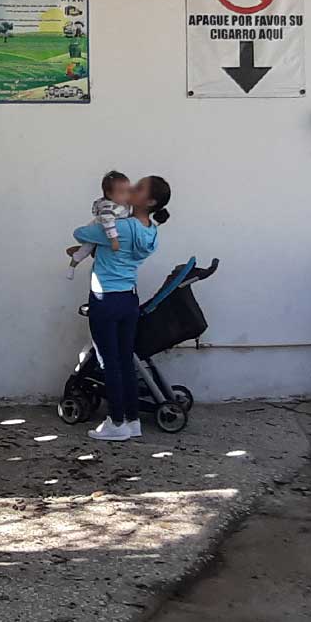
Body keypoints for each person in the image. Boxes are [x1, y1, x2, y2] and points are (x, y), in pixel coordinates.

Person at [70, 175, 173, 442]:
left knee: (109, 364)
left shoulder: (121, 226)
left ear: (149, 201)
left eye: (137, 189)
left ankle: (116, 422)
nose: (129, 191)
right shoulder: (151, 231)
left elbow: (80, 233)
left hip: (105, 300)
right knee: (126, 361)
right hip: (129, 299)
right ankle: (132, 420)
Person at [67, 170, 134, 272]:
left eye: (128, 191)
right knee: (87, 247)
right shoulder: (108, 207)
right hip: (102, 227)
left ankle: (83, 251)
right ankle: (74, 263)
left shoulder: (124, 204)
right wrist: (114, 239)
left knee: (94, 245)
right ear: (110, 194)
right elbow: (108, 223)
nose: (127, 195)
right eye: (122, 192)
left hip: (109, 238)